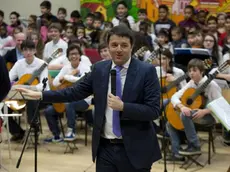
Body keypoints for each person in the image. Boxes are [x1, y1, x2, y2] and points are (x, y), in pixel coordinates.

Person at [17, 25, 161, 172]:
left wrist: (124, 107)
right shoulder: (99, 69)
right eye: (114, 45)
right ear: (108, 46)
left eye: (124, 45)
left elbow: (154, 110)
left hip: (135, 149)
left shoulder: (146, 71)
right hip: (105, 148)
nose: (118, 49)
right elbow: (74, 92)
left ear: (132, 47)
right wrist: (41, 95)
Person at [167, 58, 222, 160]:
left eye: (195, 70)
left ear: (202, 71)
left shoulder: (211, 85)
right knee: (170, 122)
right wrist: (181, 106)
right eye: (190, 70)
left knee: (184, 115)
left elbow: (220, 105)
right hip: (194, 113)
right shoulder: (191, 83)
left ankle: (195, 146)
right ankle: (176, 153)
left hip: (210, 115)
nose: (191, 73)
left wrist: (204, 111)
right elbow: (174, 96)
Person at [44, 44, 91, 142]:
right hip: (66, 99)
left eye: (76, 54)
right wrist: (68, 76)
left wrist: (66, 77)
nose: (73, 56)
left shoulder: (86, 68)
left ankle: (71, 131)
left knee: (70, 104)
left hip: (84, 100)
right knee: (49, 110)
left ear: (80, 55)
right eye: (71, 54)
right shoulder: (66, 68)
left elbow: (81, 82)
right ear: (68, 57)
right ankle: (56, 136)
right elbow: (55, 82)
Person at [8, 40, 49, 141]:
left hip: (37, 97)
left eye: (31, 50)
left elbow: (45, 84)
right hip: (20, 97)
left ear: (35, 50)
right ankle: (18, 132)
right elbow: (8, 79)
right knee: (3, 110)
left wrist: (31, 89)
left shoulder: (42, 64)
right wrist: (14, 85)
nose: (28, 52)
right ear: (22, 52)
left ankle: (34, 129)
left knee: (32, 101)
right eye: (25, 50)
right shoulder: (18, 64)